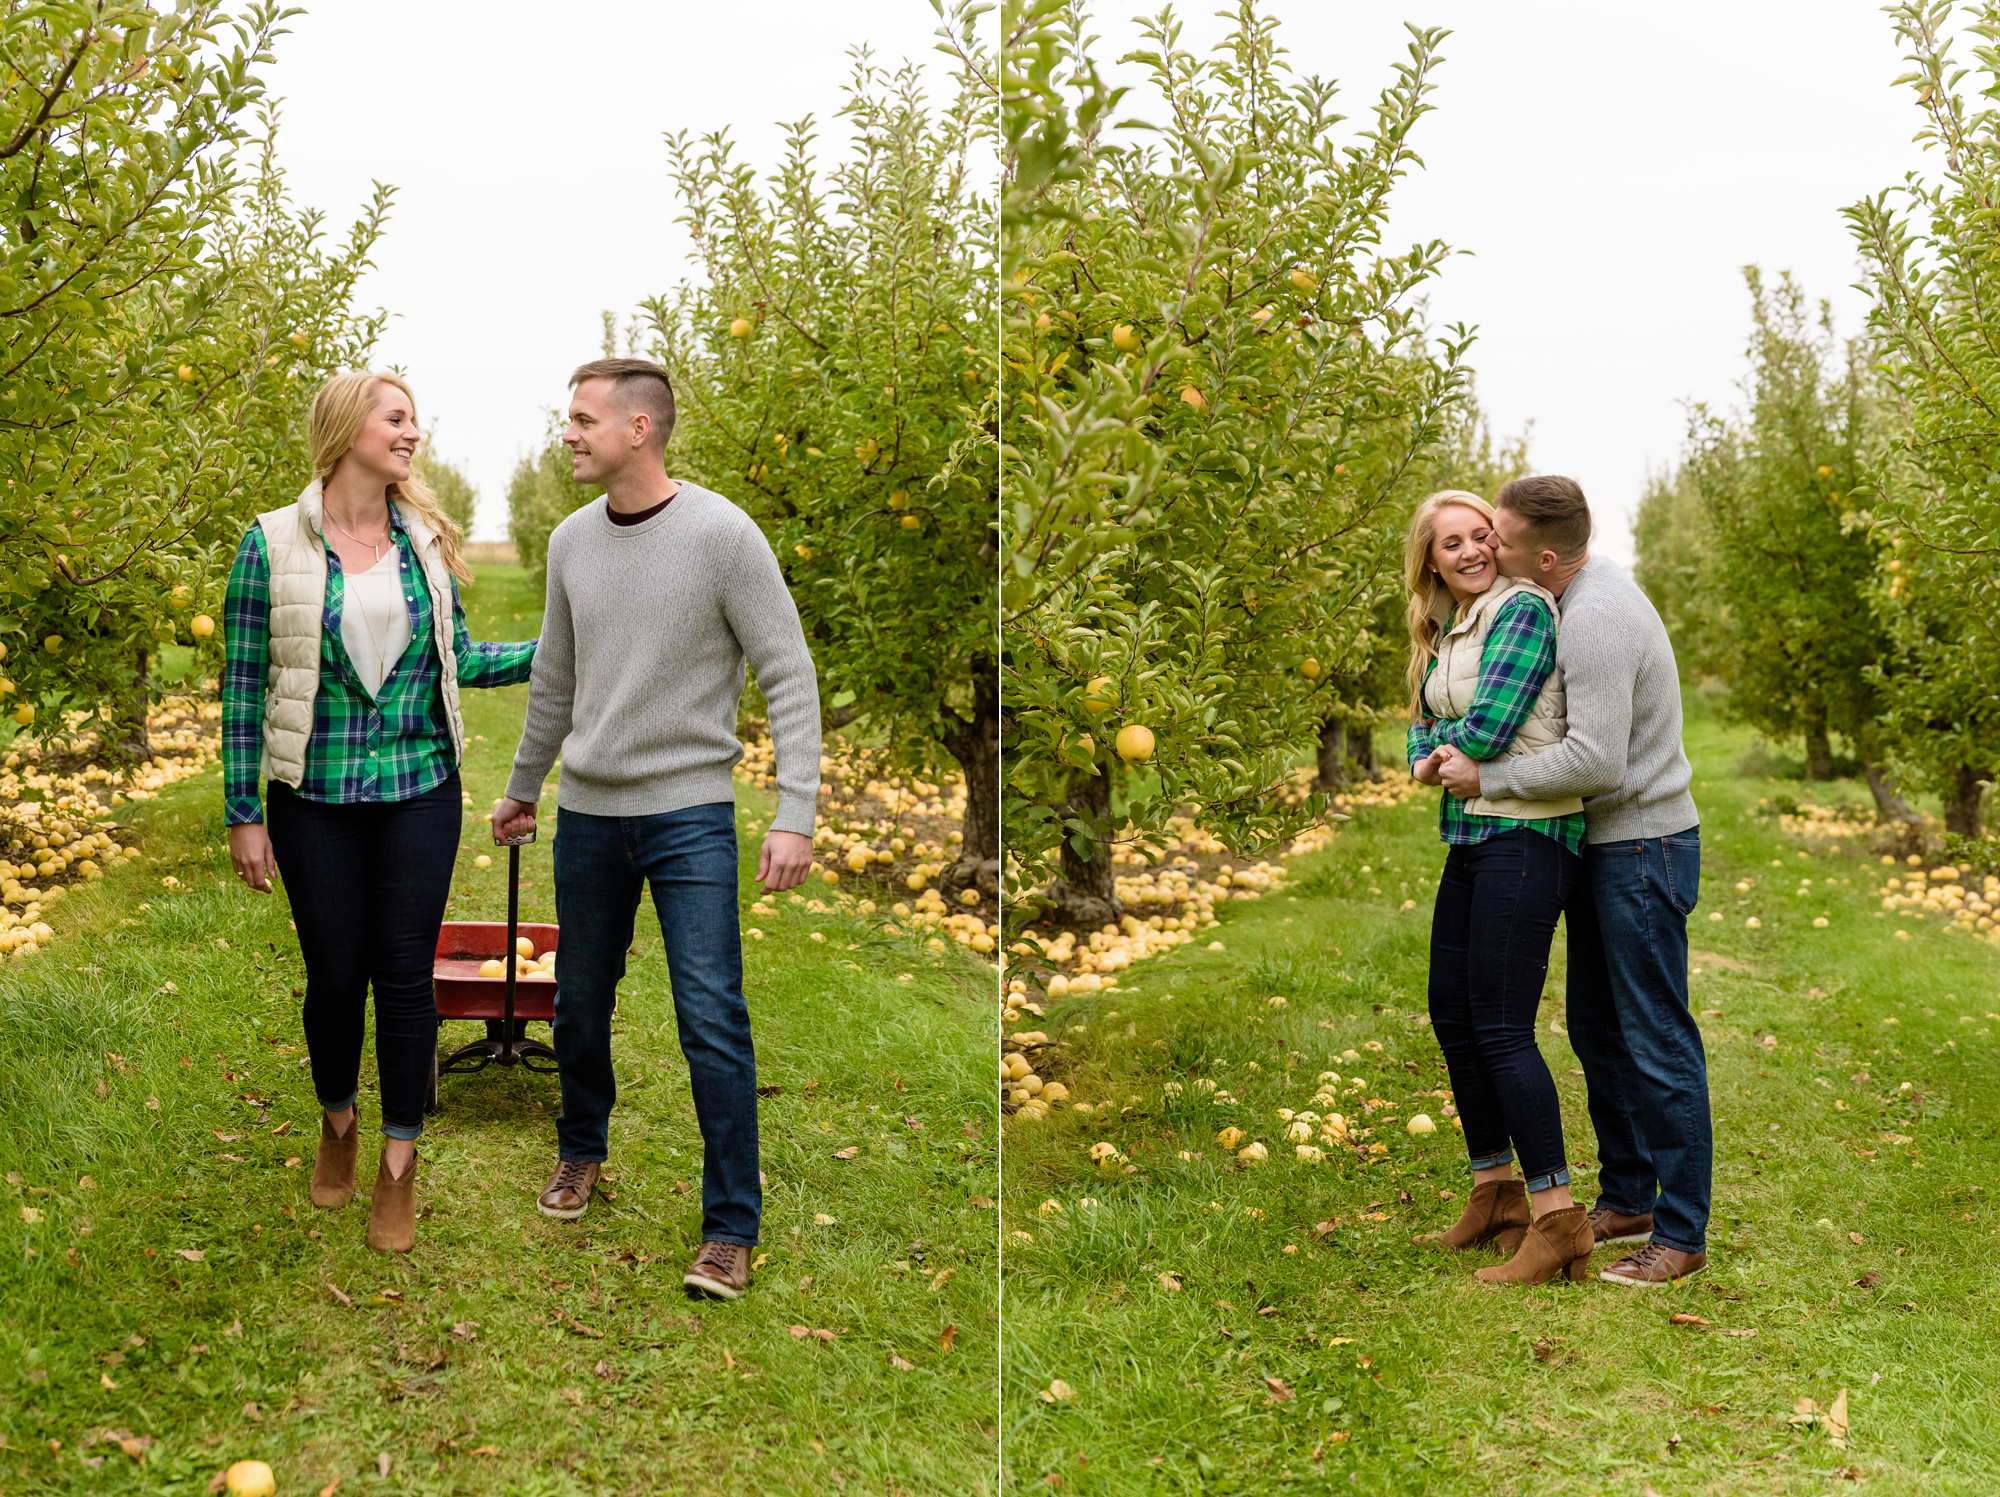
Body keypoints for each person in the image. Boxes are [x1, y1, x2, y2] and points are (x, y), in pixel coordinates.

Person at [492, 356, 818, 1303]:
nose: (569, 434)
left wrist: (795, 811)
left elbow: (788, 674)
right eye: (568, 418)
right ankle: (580, 1149)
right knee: (577, 1003)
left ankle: (730, 1227)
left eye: (585, 419)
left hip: (688, 814)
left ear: (640, 428)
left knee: (710, 1015)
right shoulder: (567, 543)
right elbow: (556, 679)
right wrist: (522, 788)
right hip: (591, 813)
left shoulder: (722, 535)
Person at [222, 371, 538, 1254]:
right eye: (396, 418)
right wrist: (243, 810)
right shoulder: (272, 543)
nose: (412, 434)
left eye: (414, 420)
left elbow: (461, 656)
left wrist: (559, 650)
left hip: (418, 786)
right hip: (312, 794)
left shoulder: (424, 540)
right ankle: (338, 1120)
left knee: (403, 974)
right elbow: (243, 682)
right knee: (334, 974)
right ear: (347, 426)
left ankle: (399, 1163)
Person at [1434, 474, 1708, 1287]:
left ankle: (1682, 1231)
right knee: (1597, 1028)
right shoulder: (1572, 594)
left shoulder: (1592, 618)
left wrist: (1487, 779)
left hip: (1644, 843)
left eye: (1501, 538)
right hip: (1605, 842)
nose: (1488, 547)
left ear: (1543, 555)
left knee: (1655, 1036)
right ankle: (1628, 1195)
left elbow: (1596, 758)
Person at [1405, 490, 1595, 1286]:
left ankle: (1557, 1218)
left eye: (1481, 535)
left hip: (1530, 833)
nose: (1472, 550)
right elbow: (1418, 735)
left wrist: (1445, 753)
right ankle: (1496, 1190)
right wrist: (1439, 753)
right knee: (1451, 1011)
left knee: (1502, 1025)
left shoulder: (1520, 611)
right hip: (1474, 833)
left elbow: (1484, 729)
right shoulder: (1444, 631)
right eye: (1451, 543)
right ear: (1431, 561)